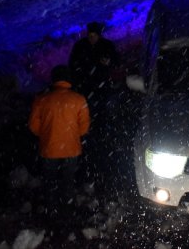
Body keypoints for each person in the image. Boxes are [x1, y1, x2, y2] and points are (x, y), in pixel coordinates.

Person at [29, 65, 90, 212]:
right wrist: (72, 136)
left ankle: (51, 206)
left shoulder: (42, 100)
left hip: (49, 148)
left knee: (50, 179)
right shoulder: (79, 100)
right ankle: (67, 205)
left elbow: (33, 125)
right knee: (68, 178)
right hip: (71, 148)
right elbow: (84, 127)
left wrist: (47, 135)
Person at [68, 21, 121, 100]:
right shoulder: (80, 45)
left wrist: (109, 62)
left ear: (99, 35)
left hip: (102, 83)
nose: (91, 38)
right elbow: (73, 63)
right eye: (90, 36)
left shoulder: (107, 45)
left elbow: (117, 60)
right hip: (85, 83)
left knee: (102, 105)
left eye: (94, 36)